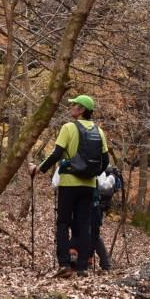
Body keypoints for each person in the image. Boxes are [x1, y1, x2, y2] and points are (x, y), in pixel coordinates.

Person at [29, 95, 109, 278]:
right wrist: (92, 174)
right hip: (89, 185)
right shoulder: (99, 131)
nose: (71, 107)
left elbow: (57, 153)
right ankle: (82, 267)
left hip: (69, 183)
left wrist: (38, 169)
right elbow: (106, 160)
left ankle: (64, 264)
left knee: (63, 222)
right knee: (85, 224)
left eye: (74, 105)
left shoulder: (68, 127)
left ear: (81, 109)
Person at [91, 165, 123, 271]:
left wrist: (112, 177)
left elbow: (103, 186)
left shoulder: (102, 169)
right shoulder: (106, 168)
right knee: (92, 233)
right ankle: (101, 262)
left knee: (93, 234)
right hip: (99, 205)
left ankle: (105, 263)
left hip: (96, 205)